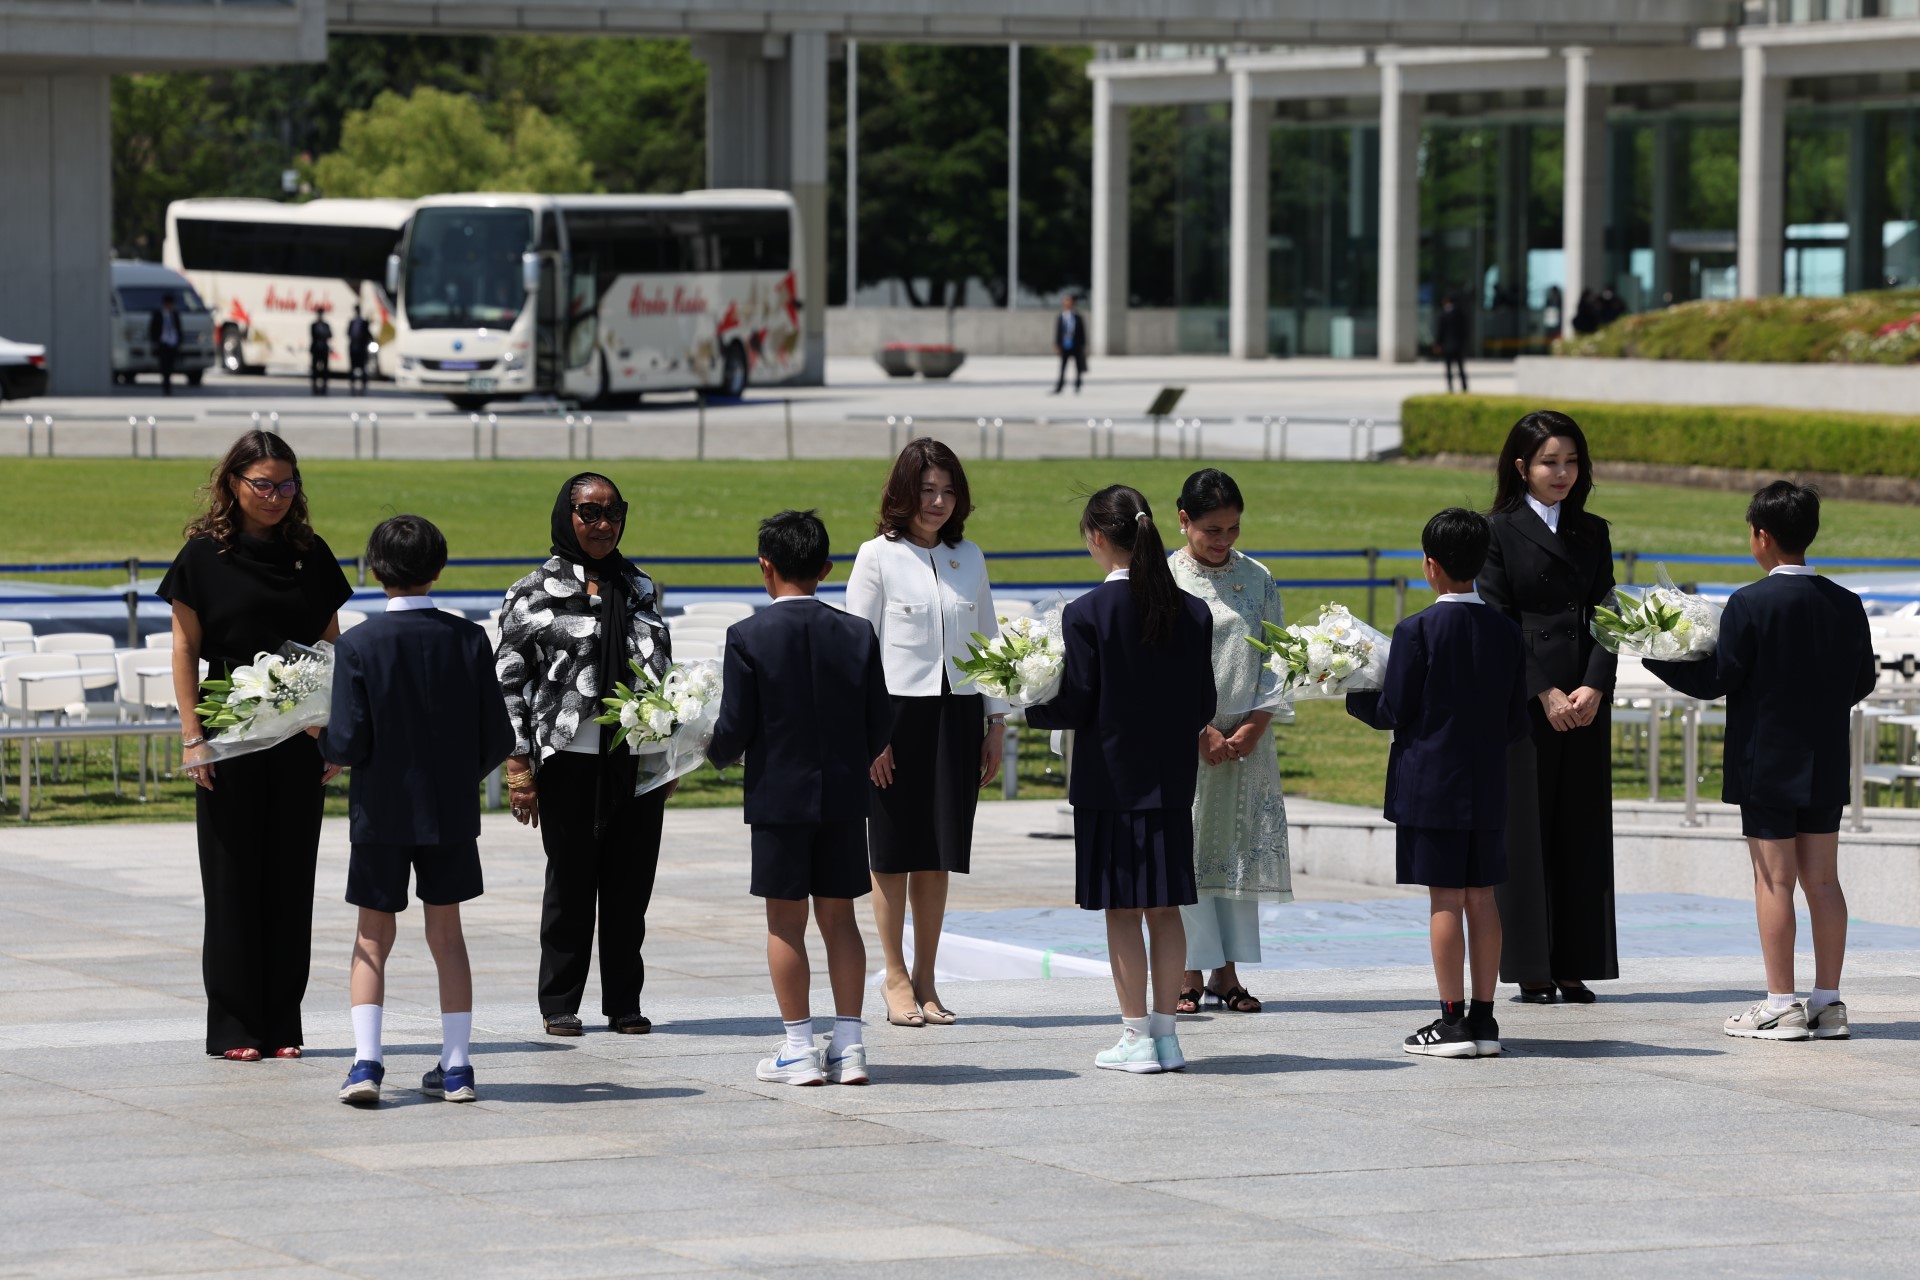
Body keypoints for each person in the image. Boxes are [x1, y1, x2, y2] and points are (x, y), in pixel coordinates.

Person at [1644, 483, 1877, 1042]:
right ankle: (1828, 1002)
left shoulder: (1749, 603)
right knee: (1823, 881)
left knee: (1774, 880)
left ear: (1761, 536)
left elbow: (1717, 679)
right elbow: (1862, 679)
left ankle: (1780, 1004)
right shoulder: (1845, 602)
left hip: (1765, 761)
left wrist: (1655, 652)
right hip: (1824, 758)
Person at [159, 430, 353, 1061]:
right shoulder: (201, 556)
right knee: (234, 882)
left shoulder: (310, 553)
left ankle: (282, 1025)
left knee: (291, 884)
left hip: (300, 742)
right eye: (262, 484)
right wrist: (194, 738)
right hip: (228, 741)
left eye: (286, 484)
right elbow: (185, 649)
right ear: (233, 485)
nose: (274, 496)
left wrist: (330, 727)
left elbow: (331, 645)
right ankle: (237, 1026)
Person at [321, 515, 514, 1106]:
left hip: (380, 811)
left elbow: (349, 743)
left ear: (374, 571)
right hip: (449, 811)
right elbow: (497, 737)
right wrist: (457, 777)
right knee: (447, 937)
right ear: (439, 567)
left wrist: (322, 744)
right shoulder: (469, 639)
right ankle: (456, 1068)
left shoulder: (357, 644)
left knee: (371, 940)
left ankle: (366, 1064)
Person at [1027, 487, 1216, 1074]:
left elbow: (1078, 701)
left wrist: (1029, 704)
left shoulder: (1086, 613)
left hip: (1110, 782)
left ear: (1098, 538)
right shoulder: (1193, 610)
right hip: (1169, 779)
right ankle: (1166, 1035)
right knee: (1165, 909)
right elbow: (1203, 701)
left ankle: (1135, 1035)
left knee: (1122, 912)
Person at [707, 510, 892, 1086]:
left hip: (778, 798)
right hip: (841, 795)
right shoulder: (856, 632)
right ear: (827, 569)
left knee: (785, 924)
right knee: (841, 920)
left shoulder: (748, 636)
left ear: (765, 567)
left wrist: (703, 752)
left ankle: (797, 1047)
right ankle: (851, 1045)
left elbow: (736, 727)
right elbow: (878, 721)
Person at [1347, 510, 1531, 1057]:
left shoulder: (1416, 630)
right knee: (1483, 899)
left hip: (1431, 785)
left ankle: (1450, 1022)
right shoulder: (1504, 629)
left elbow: (1393, 709)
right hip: (1488, 784)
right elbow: (1515, 721)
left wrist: (1349, 693)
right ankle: (1484, 1019)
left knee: (1445, 899)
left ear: (1430, 566)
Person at [496, 473, 673, 1037]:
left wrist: (667, 755)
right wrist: (518, 763)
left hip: (633, 761)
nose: (603, 524)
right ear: (565, 516)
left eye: (612, 512)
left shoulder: (640, 585)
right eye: (589, 513)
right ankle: (559, 1002)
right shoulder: (533, 591)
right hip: (567, 759)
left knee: (630, 885)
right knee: (570, 883)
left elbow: (661, 671)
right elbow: (508, 682)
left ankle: (624, 1002)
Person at [845, 439, 1007, 1027]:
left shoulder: (971, 557)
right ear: (903, 493)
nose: (937, 502)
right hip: (894, 716)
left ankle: (927, 977)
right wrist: (870, 736)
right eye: (926, 490)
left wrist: (995, 723)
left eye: (947, 491)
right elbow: (857, 650)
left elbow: (991, 645)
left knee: (938, 851)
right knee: (890, 851)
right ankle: (893, 976)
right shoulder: (876, 556)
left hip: (957, 715)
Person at [1477, 411, 1619, 1003]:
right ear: (1521, 467)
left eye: (1570, 461)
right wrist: (1544, 691)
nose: (1562, 472)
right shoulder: (1496, 530)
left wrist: (1593, 685)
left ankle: (1574, 961)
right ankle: (1531, 965)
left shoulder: (1593, 530)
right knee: (1527, 831)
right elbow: (1497, 618)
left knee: (1581, 828)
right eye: (1548, 462)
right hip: (1527, 700)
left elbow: (1610, 614)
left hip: (1585, 696)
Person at [1168, 469, 1290, 1016]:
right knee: (1188, 854)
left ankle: (1228, 973)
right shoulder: (1164, 577)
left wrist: (1253, 726)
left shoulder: (1259, 577)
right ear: (1183, 519)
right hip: (1186, 743)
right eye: (1212, 529)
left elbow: (1278, 656)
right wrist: (1199, 729)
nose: (1223, 541)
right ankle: (1186, 971)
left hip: (1247, 745)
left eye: (1233, 529)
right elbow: (1159, 666)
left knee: (1235, 854)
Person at [1051, 295, 1088, 395]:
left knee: (1078, 367)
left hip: (1076, 345)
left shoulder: (1078, 317)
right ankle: (1060, 386)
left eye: (1069, 302)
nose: (1067, 304)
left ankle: (1077, 385)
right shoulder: (1061, 316)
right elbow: (1058, 332)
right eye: (1066, 302)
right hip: (1065, 345)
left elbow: (1082, 332)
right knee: (1063, 367)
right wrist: (1057, 344)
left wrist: (1083, 345)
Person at [149, 293, 183, 396]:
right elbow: (153, 329)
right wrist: (155, 341)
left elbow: (178, 329)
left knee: (171, 366)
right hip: (163, 343)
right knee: (164, 366)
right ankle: (166, 386)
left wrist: (179, 341)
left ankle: (168, 385)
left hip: (172, 343)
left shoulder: (175, 314)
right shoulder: (158, 314)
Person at [1435, 293, 1468, 393]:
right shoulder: (1459, 313)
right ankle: (1464, 387)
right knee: (1460, 368)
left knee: (1449, 368)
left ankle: (1450, 387)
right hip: (1457, 345)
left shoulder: (1444, 314)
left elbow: (1440, 331)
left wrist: (1438, 344)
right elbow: (1464, 330)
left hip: (1447, 346)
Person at [346, 305, 373, 396]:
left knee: (362, 367)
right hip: (353, 347)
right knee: (353, 367)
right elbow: (348, 333)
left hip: (361, 348)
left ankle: (363, 384)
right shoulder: (352, 322)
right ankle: (352, 383)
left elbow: (368, 334)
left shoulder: (364, 322)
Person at [309, 309, 333, 396]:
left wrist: (323, 334)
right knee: (315, 369)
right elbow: (312, 335)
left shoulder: (326, 325)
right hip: (316, 349)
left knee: (325, 369)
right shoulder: (313, 325)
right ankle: (315, 385)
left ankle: (324, 386)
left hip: (324, 349)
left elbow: (330, 335)